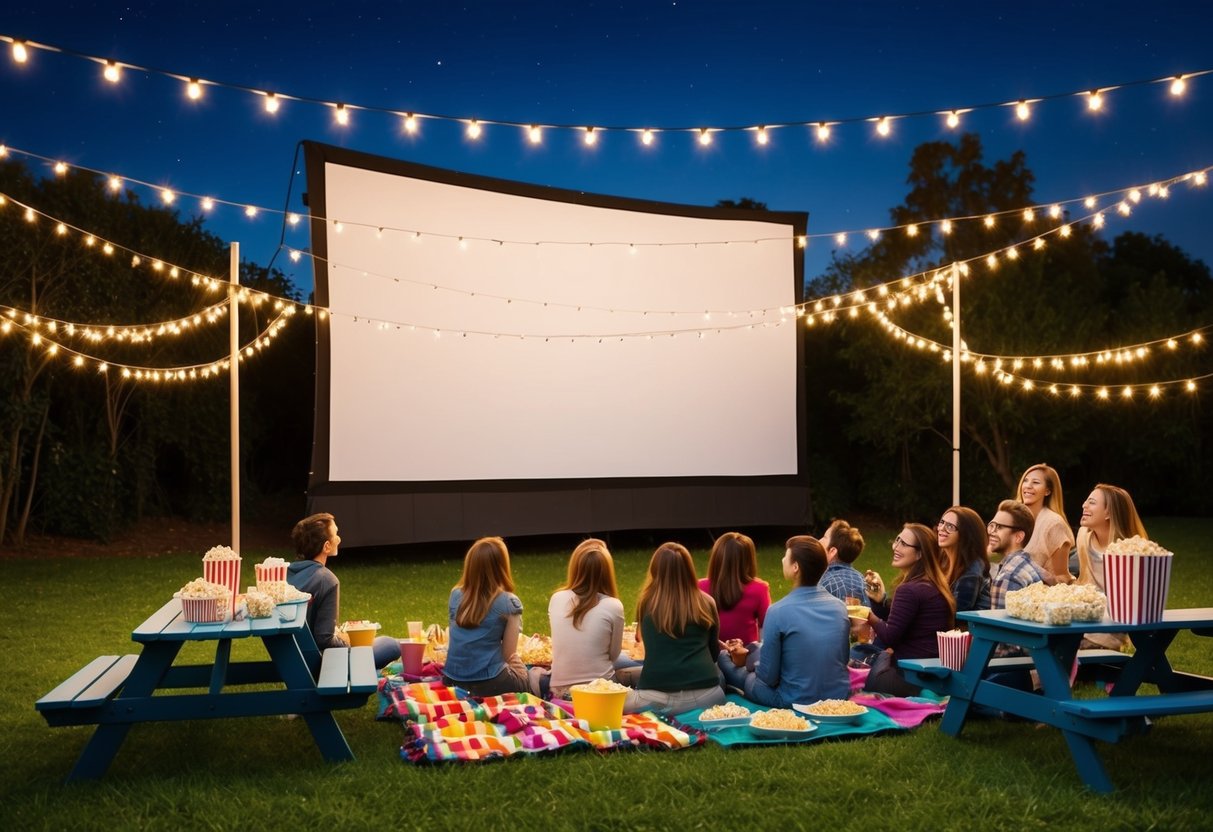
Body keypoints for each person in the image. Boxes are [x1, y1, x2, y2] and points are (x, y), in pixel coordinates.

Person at [718, 535, 850, 706]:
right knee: (758, 651)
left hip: (793, 699)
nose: (782, 559)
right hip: (837, 697)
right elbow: (842, 658)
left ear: (795, 567)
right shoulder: (840, 607)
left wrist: (755, 666)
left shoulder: (778, 611)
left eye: (785, 556)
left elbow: (768, 678)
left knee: (727, 662)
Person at [287, 512, 400, 669]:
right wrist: (351, 647)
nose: (339, 539)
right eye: (336, 534)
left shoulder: (286, 574)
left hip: (292, 658)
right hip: (321, 664)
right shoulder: (326, 579)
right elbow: (324, 640)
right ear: (326, 546)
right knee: (392, 645)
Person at [624, 542, 726, 715]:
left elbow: (649, 649)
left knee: (617, 702)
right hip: (709, 697)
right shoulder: (707, 602)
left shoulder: (647, 602)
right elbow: (714, 654)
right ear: (689, 570)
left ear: (655, 570)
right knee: (721, 675)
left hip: (656, 698)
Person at [862, 523, 955, 696]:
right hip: (931, 673)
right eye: (897, 540)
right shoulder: (932, 583)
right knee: (872, 655)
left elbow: (891, 637)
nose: (895, 547)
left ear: (920, 554)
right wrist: (879, 600)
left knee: (862, 660)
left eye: (904, 544)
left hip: (910, 676)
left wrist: (865, 614)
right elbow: (901, 624)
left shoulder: (909, 589)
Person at [442, 536, 530, 697]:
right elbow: (509, 654)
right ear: (502, 567)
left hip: (451, 680)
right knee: (532, 677)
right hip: (490, 682)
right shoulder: (509, 602)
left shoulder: (455, 595)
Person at [547, 539, 626, 700]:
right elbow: (614, 655)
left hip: (559, 691)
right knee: (634, 665)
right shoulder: (613, 605)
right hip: (601, 691)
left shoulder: (557, 598)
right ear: (607, 572)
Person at [1075, 484, 1147, 651]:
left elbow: (1133, 605)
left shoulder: (1131, 551)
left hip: (1108, 631)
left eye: (1092, 502)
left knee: (1056, 653)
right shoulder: (1084, 537)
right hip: (1081, 621)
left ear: (1109, 512)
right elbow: (1085, 582)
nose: (1084, 505)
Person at [698, 532, 770, 644]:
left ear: (716, 558)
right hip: (746, 655)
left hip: (711, 653)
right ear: (748, 560)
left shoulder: (700, 587)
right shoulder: (759, 589)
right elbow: (768, 625)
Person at [1016, 463, 1075, 583]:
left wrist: (1034, 570)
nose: (1028, 486)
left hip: (1039, 596)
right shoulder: (1012, 517)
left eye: (1036, 482)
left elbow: (1062, 577)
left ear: (1047, 491)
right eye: (1025, 480)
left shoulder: (1054, 524)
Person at [988, 500, 1045, 609]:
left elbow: (999, 624)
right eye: (992, 525)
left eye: (999, 527)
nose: (992, 531)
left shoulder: (1009, 576)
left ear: (1018, 537)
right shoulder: (1027, 565)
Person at [936, 506, 991, 613]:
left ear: (966, 534)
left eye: (950, 526)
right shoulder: (943, 560)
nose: (942, 528)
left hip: (967, 628)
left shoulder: (972, 571)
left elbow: (955, 611)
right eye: (942, 522)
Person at [818, 518, 867, 603]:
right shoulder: (861, 579)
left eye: (824, 537)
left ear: (832, 551)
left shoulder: (825, 584)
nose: (819, 541)